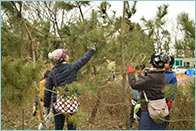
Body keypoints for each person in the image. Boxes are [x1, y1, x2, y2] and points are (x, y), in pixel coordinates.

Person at [43, 48, 95, 130]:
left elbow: (47, 91)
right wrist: (92, 50)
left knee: (58, 128)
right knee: (72, 128)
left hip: (58, 105)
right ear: (63, 58)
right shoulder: (72, 67)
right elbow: (84, 59)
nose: (68, 55)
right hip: (72, 104)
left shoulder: (52, 73)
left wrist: (46, 106)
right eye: (66, 54)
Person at [127, 53, 168, 130]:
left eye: (151, 63)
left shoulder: (152, 77)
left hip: (149, 111)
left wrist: (130, 73)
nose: (149, 64)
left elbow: (134, 84)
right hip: (160, 110)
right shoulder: (162, 75)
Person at [164, 56, 177, 127]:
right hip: (158, 99)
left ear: (170, 65)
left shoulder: (172, 76)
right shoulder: (160, 73)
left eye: (166, 63)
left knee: (166, 119)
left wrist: (171, 100)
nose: (164, 64)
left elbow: (174, 89)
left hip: (167, 100)